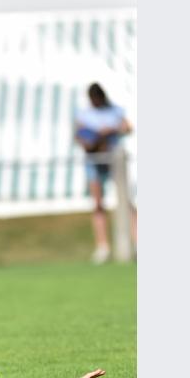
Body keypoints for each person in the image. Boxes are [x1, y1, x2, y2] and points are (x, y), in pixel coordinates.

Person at [74, 83, 135, 264]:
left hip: (115, 159)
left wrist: (111, 130)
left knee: (126, 202)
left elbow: (128, 127)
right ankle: (103, 247)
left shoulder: (115, 111)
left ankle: (137, 241)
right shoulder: (84, 114)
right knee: (98, 203)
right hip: (94, 160)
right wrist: (92, 138)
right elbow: (79, 136)